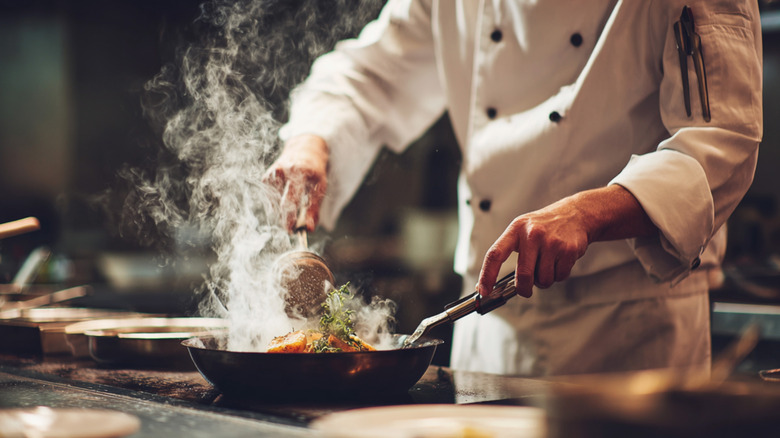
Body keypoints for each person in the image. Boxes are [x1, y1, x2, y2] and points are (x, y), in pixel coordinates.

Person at [265, 0, 762, 376]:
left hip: (625, 327)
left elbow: (722, 141)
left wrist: (591, 212)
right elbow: (370, 73)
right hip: (485, 322)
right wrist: (313, 139)